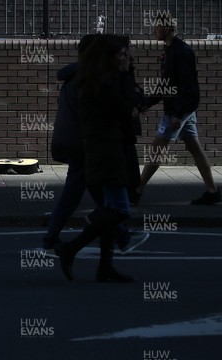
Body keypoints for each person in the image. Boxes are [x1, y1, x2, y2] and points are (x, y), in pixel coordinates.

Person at [44, 34, 149, 256]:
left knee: (88, 194)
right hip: (85, 146)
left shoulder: (75, 77)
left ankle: (112, 242)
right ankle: (116, 236)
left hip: (77, 143)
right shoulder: (89, 79)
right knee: (99, 197)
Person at [135, 13, 220, 205]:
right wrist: (146, 104)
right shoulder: (170, 50)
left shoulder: (181, 51)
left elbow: (190, 88)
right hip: (181, 110)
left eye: (156, 27)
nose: (154, 30)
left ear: (166, 28)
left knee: (157, 149)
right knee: (195, 149)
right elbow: (167, 84)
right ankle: (213, 191)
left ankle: (137, 190)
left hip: (177, 111)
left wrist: (178, 115)